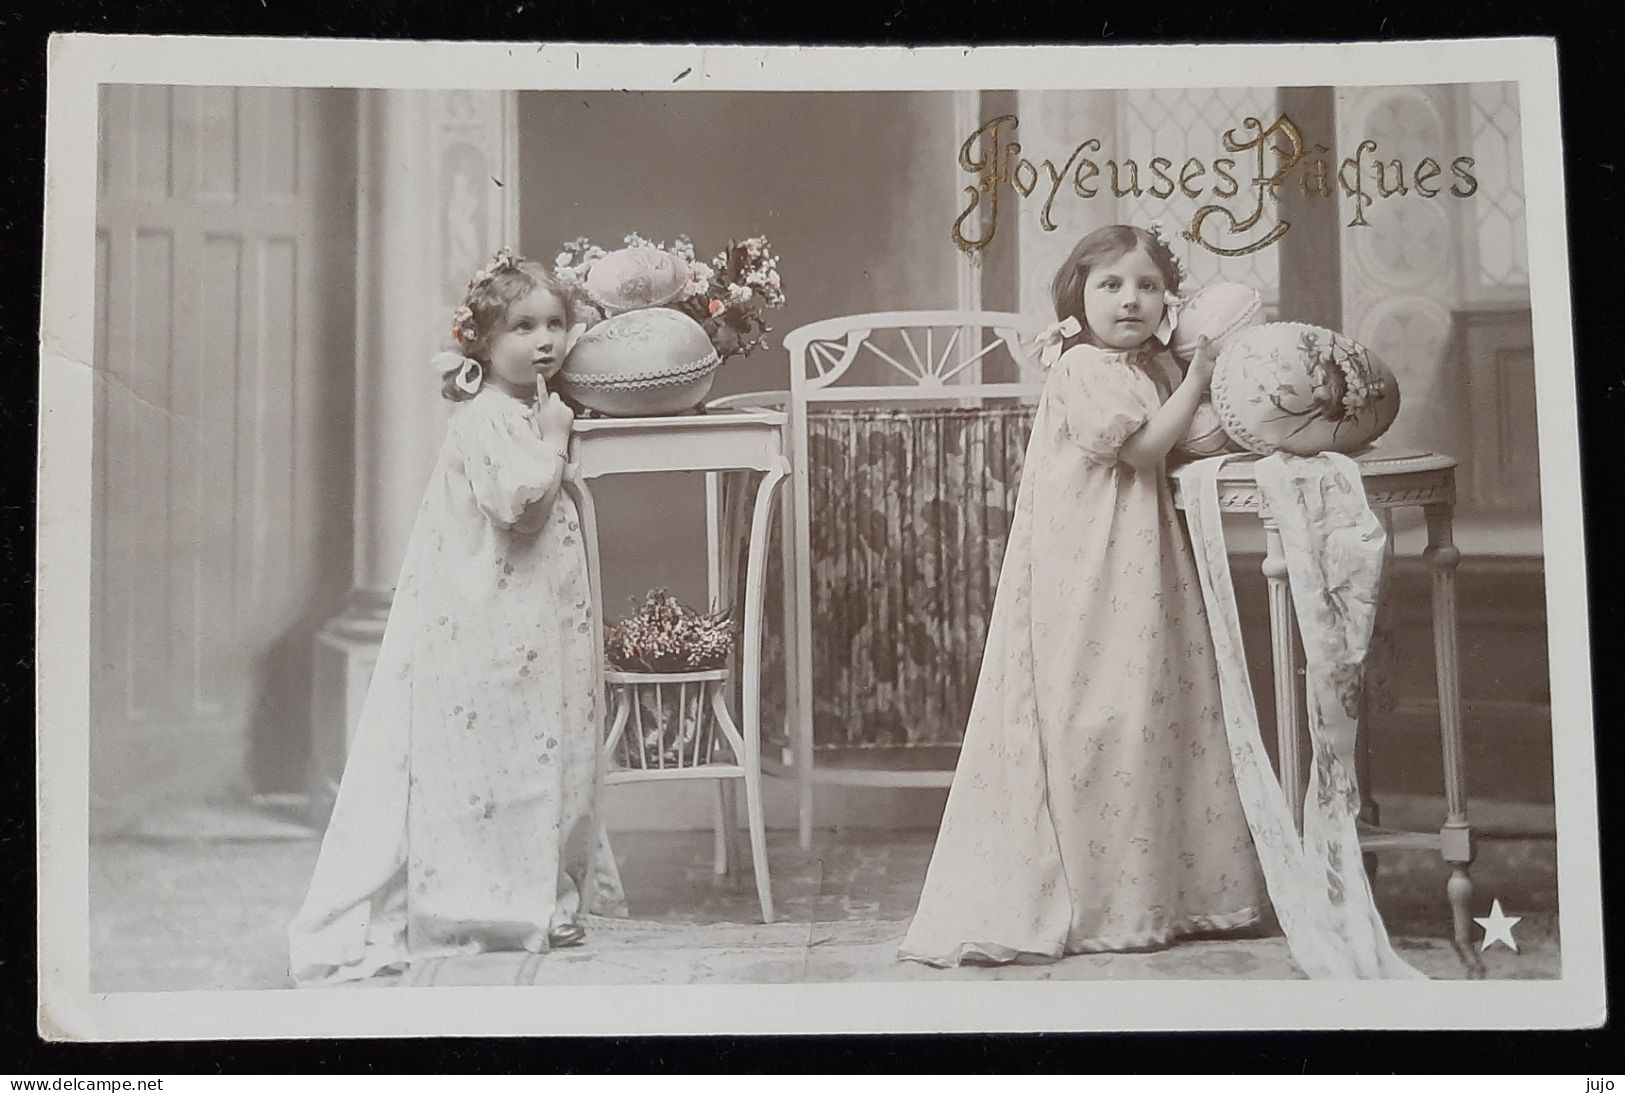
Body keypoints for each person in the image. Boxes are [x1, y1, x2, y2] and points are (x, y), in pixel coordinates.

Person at [899, 225, 1264, 966]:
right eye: (1110, 284)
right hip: (1088, 559)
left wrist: (1227, 380)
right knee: (1100, 710)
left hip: (1137, 553)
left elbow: (1185, 436)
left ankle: (1163, 893)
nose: (1130, 298)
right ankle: (1101, 900)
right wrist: (1197, 377)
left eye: (1147, 286)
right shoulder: (1081, 367)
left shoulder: (1144, 364)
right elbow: (1139, 449)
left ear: (1167, 299)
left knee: (1150, 705)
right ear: (1079, 293)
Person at [288, 248, 623, 985]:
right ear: (482, 339)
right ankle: (484, 900)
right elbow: (520, 506)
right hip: (491, 610)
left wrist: (554, 427)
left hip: (535, 609)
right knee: (499, 745)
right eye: (522, 326)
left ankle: (539, 893)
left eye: (556, 324)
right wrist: (558, 442)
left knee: (546, 738)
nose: (545, 341)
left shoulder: (527, 408)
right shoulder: (489, 418)